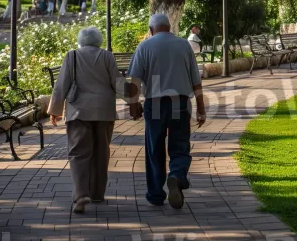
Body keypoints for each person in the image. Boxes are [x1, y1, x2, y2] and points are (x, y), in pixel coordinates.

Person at [128, 14, 206, 209]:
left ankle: (155, 194)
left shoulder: (144, 46)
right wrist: (201, 108)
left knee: (154, 148)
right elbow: (196, 79)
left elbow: (135, 80)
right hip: (179, 102)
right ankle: (176, 175)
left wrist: (133, 105)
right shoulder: (183, 45)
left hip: (154, 104)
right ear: (169, 27)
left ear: (151, 29)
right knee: (180, 144)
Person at [47, 27, 128, 214]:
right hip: (104, 111)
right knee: (101, 152)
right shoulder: (107, 56)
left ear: (80, 40)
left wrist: (55, 109)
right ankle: (97, 193)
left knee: (78, 154)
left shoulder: (72, 56)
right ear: (99, 40)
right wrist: (132, 102)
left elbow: (62, 84)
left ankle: (81, 194)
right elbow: (117, 82)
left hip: (78, 112)